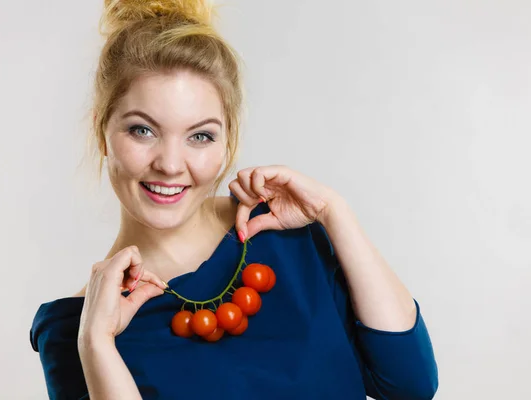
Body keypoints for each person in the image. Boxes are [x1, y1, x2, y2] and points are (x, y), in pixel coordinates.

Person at [29, 1, 439, 399]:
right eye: (142, 130)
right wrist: (99, 346)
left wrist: (334, 212)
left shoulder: (287, 236)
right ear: (103, 134)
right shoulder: (80, 328)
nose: (171, 164)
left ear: (228, 144)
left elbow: (410, 384)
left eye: (200, 136)